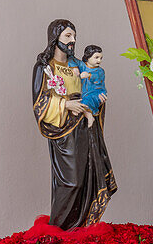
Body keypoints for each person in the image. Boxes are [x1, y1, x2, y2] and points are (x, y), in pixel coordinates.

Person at [31, 19, 117, 230]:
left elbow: (92, 87)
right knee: (71, 182)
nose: (73, 40)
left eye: (74, 36)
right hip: (63, 130)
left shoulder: (77, 64)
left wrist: (99, 99)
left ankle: (79, 230)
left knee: (87, 177)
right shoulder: (45, 68)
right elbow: (39, 102)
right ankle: (59, 230)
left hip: (85, 128)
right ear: (55, 38)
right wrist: (66, 104)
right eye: (68, 36)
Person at [78, 45, 107, 115]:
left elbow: (97, 77)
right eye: (96, 57)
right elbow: (73, 61)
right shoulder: (82, 65)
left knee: (87, 101)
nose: (99, 60)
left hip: (96, 92)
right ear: (88, 57)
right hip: (83, 92)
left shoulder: (100, 71)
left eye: (101, 58)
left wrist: (88, 75)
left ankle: (91, 113)